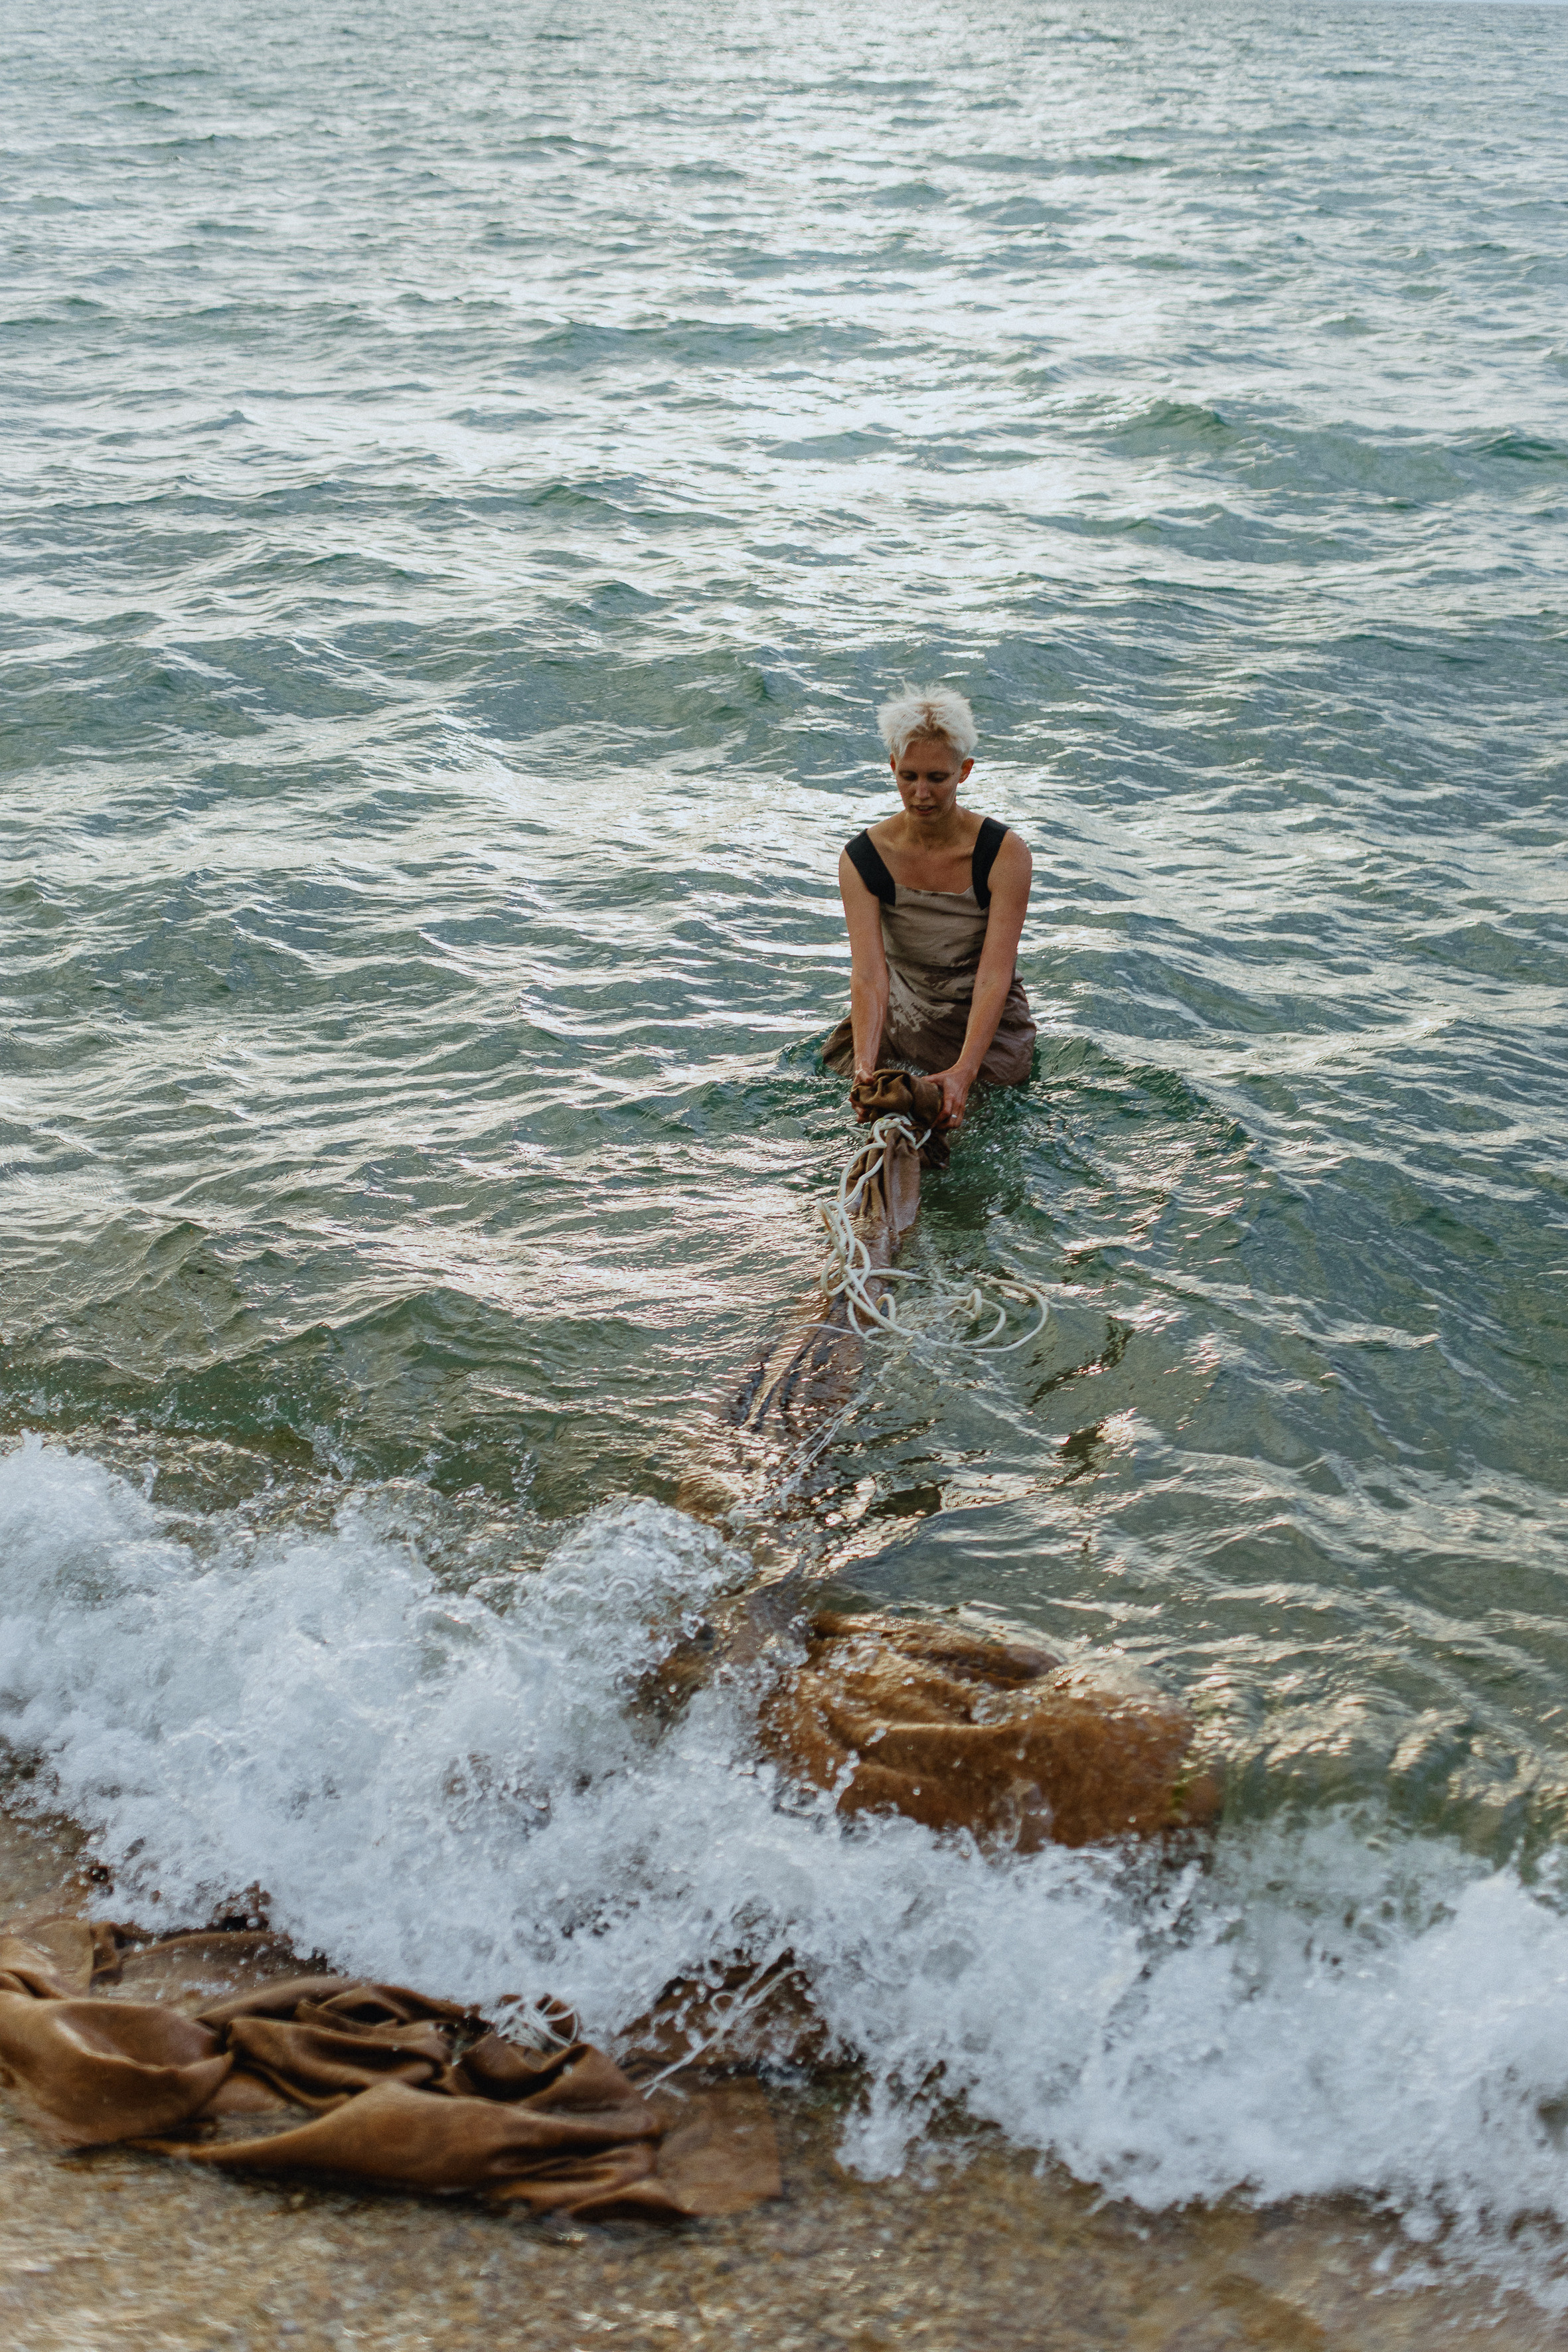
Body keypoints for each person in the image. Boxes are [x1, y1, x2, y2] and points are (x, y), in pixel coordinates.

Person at [821, 687, 1035, 1133]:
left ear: (964, 772)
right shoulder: (863, 858)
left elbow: (996, 973)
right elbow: (868, 974)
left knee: (968, 1137)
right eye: (910, 776)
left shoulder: (1004, 854)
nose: (921, 793)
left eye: (937, 778)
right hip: (903, 1018)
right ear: (893, 768)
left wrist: (964, 1071)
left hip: (982, 1026)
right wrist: (865, 1065)